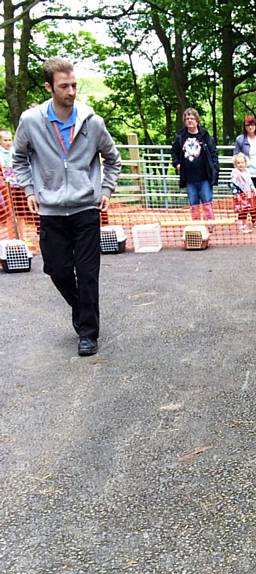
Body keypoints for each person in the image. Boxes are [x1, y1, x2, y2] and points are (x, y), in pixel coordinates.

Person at [13, 57, 121, 357]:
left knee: (87, 273)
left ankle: (88, 333)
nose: (71, 91)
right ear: (49, 87)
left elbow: (113, 159)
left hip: (86, 208)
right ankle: (82, 308)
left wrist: (106, 189)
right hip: (49, 210)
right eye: (64, 86)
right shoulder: (31, 121)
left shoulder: (93, 123)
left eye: (74, 85)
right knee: (57, 270)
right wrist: (30, 189)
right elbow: (19, 158)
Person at [171, 108, 219, 223]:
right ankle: (196, 224)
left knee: (207, 202)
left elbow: (213, 153)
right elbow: (174, 152)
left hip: (204, 177)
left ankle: (210, 223)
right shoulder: (180, 137)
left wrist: (215, 169)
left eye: (192, 118)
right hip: (189, 178)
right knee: (193, 203)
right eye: (187, 119)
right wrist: (177, 164)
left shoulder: (204, 135)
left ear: (197, 120)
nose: (189, 121)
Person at [229, 153, 256, 232]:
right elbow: (232, 184)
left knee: (253, 207)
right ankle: (242, 223)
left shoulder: (247, 172)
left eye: (242, 162)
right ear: (235, 164)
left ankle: (255, 221)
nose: (240, 165)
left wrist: (254, 191)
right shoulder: (235, 173)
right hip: (241, 194)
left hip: (249, 193)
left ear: (245, 163)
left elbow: (250, 183)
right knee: (243, 209)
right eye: (238, 163)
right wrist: (236, 193)